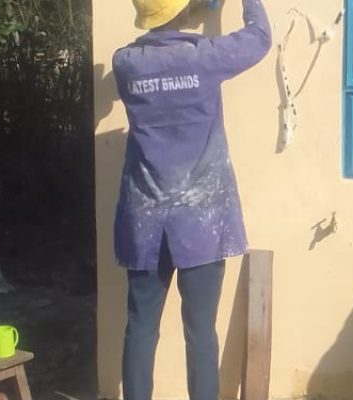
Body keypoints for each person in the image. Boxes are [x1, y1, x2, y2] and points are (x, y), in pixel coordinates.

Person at [111, 0, 271, 399]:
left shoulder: (126, 64)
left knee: (140, 327)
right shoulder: (205, 57)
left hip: (144, 220)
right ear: (184, 12)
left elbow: (159, 59)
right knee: (200, 331)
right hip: (201, 220)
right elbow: (259, 37)